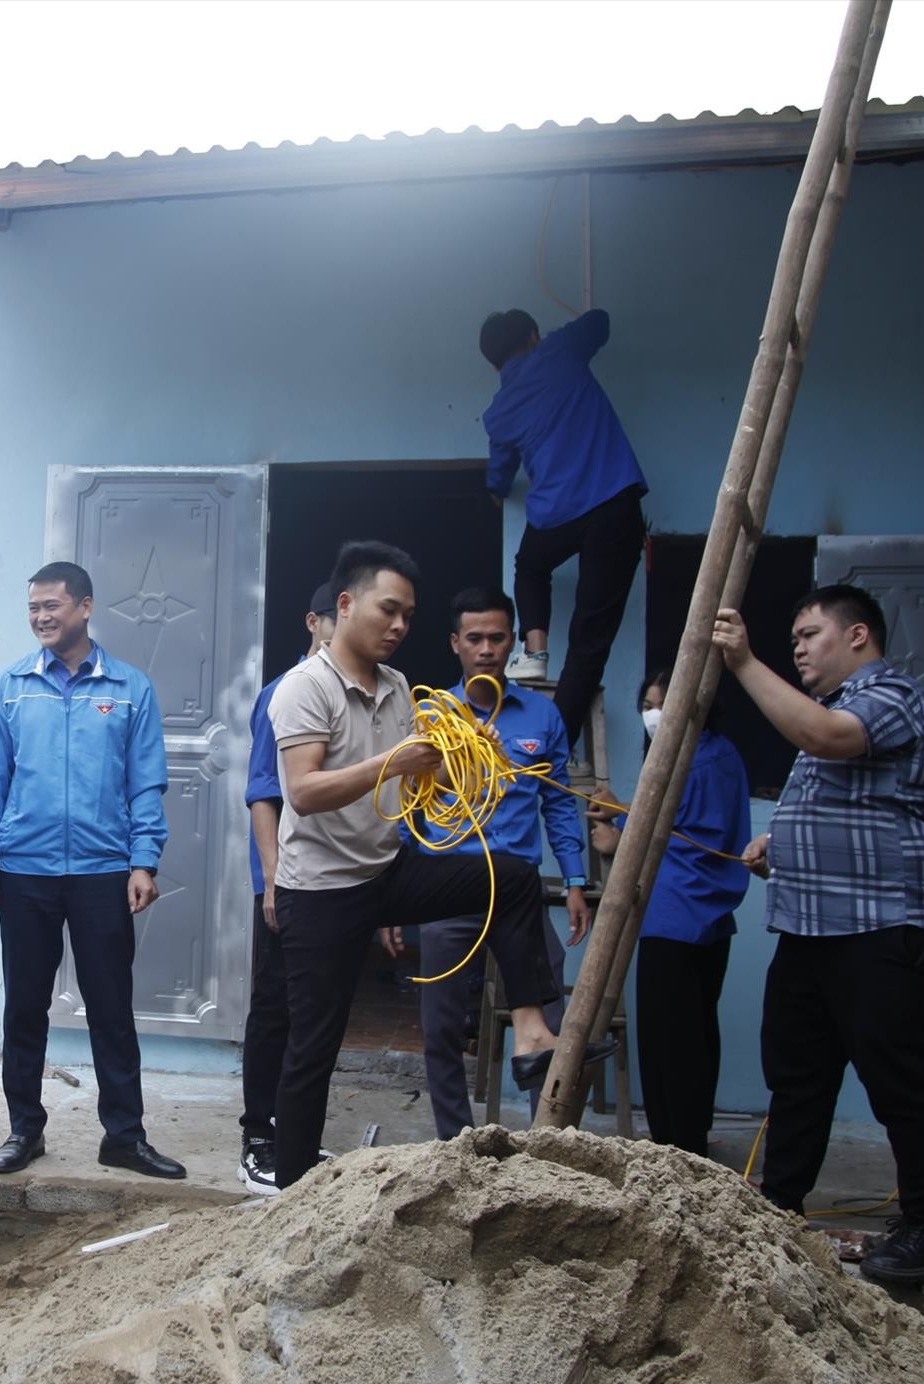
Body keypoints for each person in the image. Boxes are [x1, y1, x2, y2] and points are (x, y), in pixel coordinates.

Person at [268, 541, 586, 1193]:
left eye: (408, 617)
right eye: (389, 611)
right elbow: (303, 792)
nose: (398, 626)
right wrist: (401, 762)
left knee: (513, 876)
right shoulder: (304, 688)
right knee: (314, 1048)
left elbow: (429, 782)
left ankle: (530, 1031)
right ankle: (291, 1185)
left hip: (386, 873)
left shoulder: (397, 689)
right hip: (322, 893)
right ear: (347, 603)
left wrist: (475, 754)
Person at [714, 585, 924, 1286]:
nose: (796, 647)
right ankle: (781, 1206)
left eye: (809, 633)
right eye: (791, 637)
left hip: (883, 928)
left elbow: (829, 740)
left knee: (899, 1082)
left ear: (858, 638)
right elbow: (848, 806)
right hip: (814, 929)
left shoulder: (891, 693)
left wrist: (743, 661)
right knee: (797, 1078)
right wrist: (778, 845)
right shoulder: (828, 709)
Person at [0, 561, 185, 1181]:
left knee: (111, 1007)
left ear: (85, 607)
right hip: (25, 873)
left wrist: (144, 860)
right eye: (33, 607)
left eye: (53, 606)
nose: (41, 617)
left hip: (103, 872)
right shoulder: (10, 687)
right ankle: (23, 1129)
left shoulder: (129, 688)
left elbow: (146, 785)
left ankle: (124, 1135)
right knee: (25, 1008)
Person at [402, 587, 609, 1133]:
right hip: (448, 885)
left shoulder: (542, 715)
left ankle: (551, 1138)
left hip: (516, 891)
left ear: (513, 642)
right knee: (440, 1023)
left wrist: (574, 881)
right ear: (456, 643)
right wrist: (399, 899)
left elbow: (560, 802)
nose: (487, 649)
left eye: (497, 637)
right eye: (475, 638)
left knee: (548, 1010)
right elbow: (407, 810)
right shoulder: (432, 717)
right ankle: (455, 1144)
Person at [587, 670, 752, 1159]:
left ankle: (672, 1148)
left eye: (665, 701)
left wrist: (620, 825)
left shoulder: (693, 762)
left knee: (667, 1043)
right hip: (710, 918)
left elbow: (668, 824)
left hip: (675, 915)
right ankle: (689, 1137)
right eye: (648, 702)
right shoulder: (719, 754)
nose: (654, 712)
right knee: (697, 1035)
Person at [479, 306, 648, 751]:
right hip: (612, 503)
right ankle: (556, 747)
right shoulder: (559, 350)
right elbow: (601, 322)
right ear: (531, 335)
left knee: (530, 565)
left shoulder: (499, 412)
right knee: (589, 641)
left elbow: (499, 474)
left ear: (493, 362)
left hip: (557, 513)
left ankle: (534, 652)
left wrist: (498, 489)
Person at [238, 581, 337, 1195]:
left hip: (336, 883)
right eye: (335, 618)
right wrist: (273, 880)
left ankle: (295, 1139)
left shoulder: (362, 692)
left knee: (314, 1013)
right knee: (274, 1007)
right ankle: (258, 1139)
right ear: (315, 621)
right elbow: (262, 793)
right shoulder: (284, 692)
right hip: (285, 881)